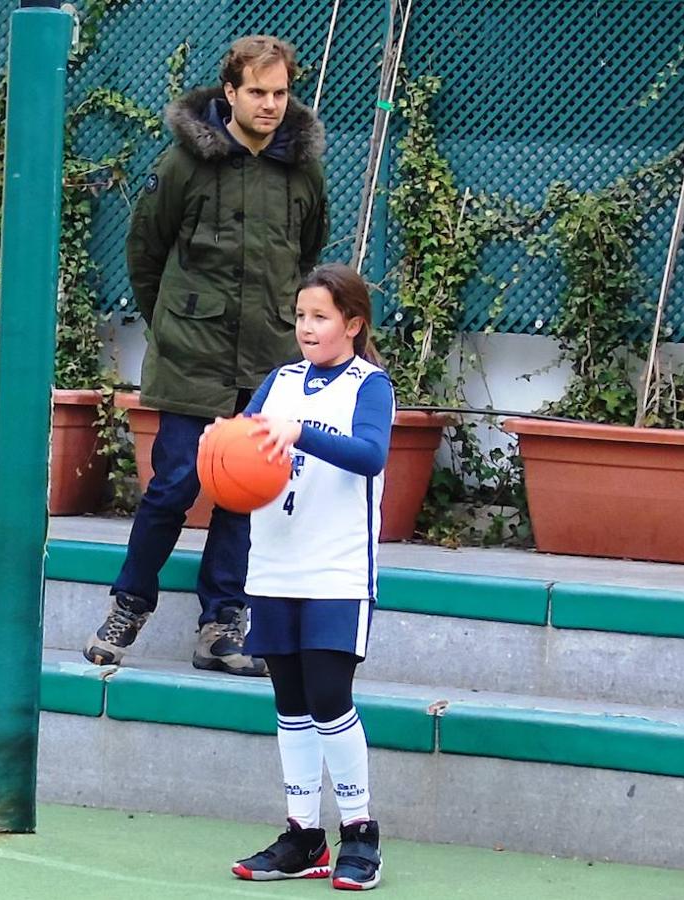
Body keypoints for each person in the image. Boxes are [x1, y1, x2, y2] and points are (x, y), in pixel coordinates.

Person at [85, 35, 329, 676]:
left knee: (245, 493)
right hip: (189, 356)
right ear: (230, 92)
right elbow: (145, 255)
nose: (271, 105)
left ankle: (222, 626)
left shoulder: (302, 169)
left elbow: (305, 255)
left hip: (266, 362)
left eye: (280, 93)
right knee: (175, 486)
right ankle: (129, 605)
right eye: (257, 92)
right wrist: (176, 319)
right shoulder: (182, 165)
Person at [226, 264, 392, 890]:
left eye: (320, 317)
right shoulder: (279, 380)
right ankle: (303, 835)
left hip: (337, 571)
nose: (307, 327)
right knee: (291, 704)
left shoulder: (369, 385)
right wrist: (225, 449)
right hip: (273, 565)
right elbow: (247, 446)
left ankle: (360, 833)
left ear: (352, 324)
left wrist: (303, 432)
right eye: (300, 316)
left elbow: (370, 454)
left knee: (329, 697)